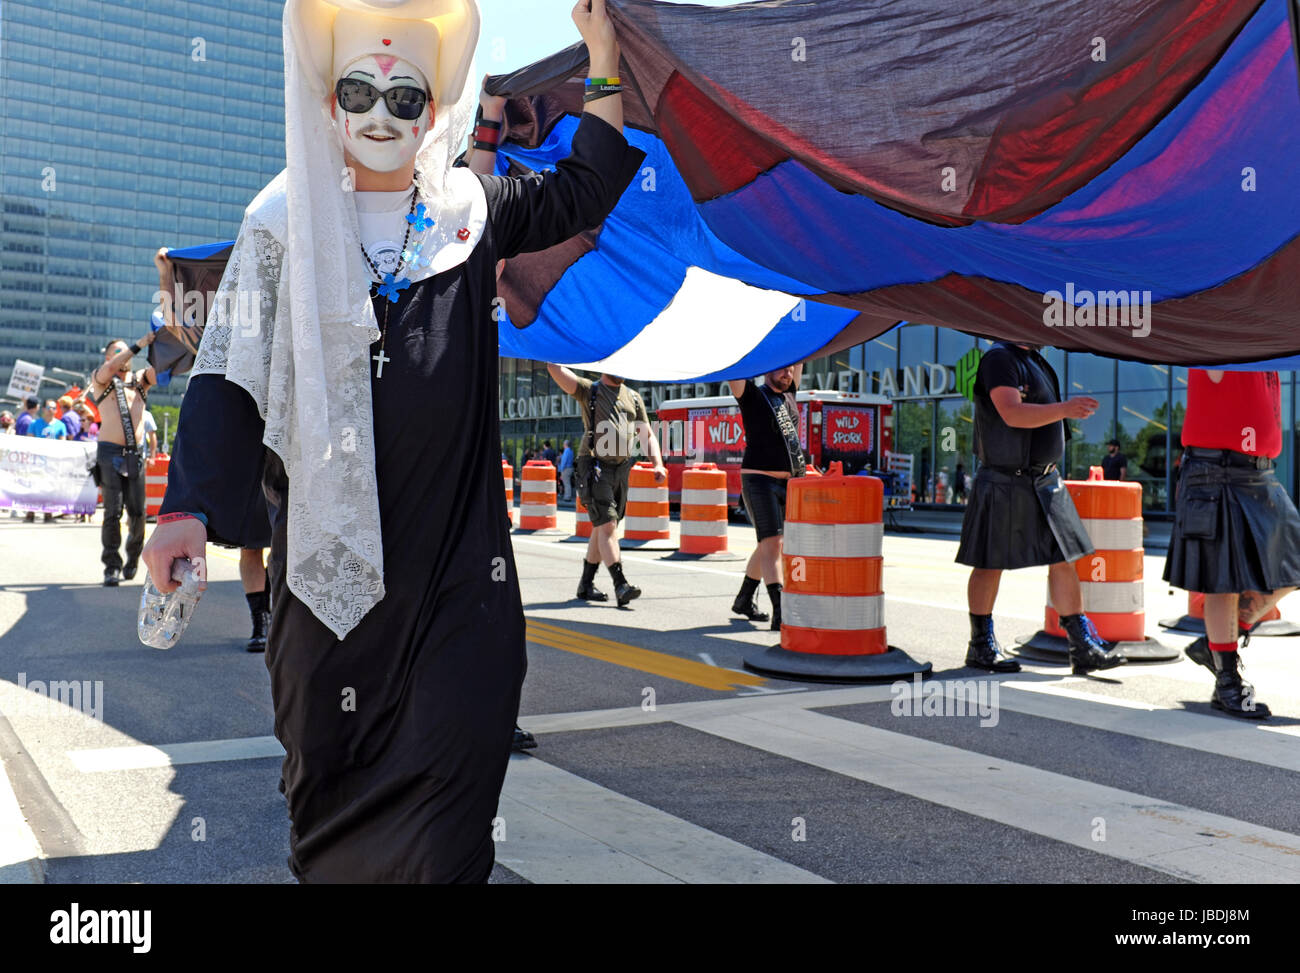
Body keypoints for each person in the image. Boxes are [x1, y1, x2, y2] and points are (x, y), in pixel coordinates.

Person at [142, 0, 643, 883]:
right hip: (328, 593)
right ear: (328, 101)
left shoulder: (469, 211)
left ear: (432, 108)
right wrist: (184, 509)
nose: (379, 113)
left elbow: (583, 188)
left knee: (455, 790)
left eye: (404, 96)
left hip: (459, 579)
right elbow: (228, 372)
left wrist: (604, 54)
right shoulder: (279, 217)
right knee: (331, 800)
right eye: (359, 91)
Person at [956, 342, 1125, 674]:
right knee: (990, 563)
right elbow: (1012, 412)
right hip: (1005, 479)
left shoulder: (1036, 362)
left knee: (1063, 559)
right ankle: (980, 647)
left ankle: (1081, 646)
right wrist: (1065, 408)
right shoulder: (999, 359)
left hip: (1045, 480)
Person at [1164, 369, 1300, 719]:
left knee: (1292, 565)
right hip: (1216, 470)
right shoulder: (1222, 334)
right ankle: (1227, 680)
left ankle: (1217, 645)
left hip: (1260, 473)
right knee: (1221, 581)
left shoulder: (1265, 344)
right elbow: (1210, 353)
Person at [547, 366, 663, 607]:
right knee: (608, 525)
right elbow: (556, 371)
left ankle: (586, 584)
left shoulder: (633, 396)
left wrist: (658, 464)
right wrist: (553, 352)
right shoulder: (591, 390)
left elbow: (647, 434)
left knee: (602, 528)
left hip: (621, 469)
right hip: (595, 466)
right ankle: (620, 584)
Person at [728, 364, 805, 630]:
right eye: (783, 369)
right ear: (768, 368)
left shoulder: (790, 394)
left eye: (792, 370)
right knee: (772, 544)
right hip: (758, 480)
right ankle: (780, 612)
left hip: (790, 482)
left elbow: (804, 350)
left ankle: (744, 599)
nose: (788, 374)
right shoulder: (751, 394)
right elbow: (733, 367)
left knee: (769, 544)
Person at [89, 332, 160, 585]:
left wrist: (168, 341)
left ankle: (133, 556)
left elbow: (157, 371)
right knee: (112, 512)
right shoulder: (102, 379)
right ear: (109, 357)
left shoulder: (140, 381)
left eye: (125, 352)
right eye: (118, 352)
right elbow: (110, 368)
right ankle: (111, 565)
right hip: (109, 454)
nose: (124, 357)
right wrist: (139, 344)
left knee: (138, 512)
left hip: (134, 455)